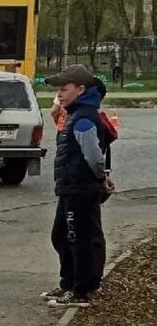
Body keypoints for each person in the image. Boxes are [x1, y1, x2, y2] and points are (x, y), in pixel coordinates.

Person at [42, 65, 116, 308]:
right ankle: (68, 284)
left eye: (64, 89)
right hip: (69, 187)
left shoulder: (83, 117)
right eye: (58, 90)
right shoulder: (75, 113)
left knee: (78, 239)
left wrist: (100, 178)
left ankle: (81, 290)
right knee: (61, 235)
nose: (59, 94)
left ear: (81, 89)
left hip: (80, 188)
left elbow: (93, 155)